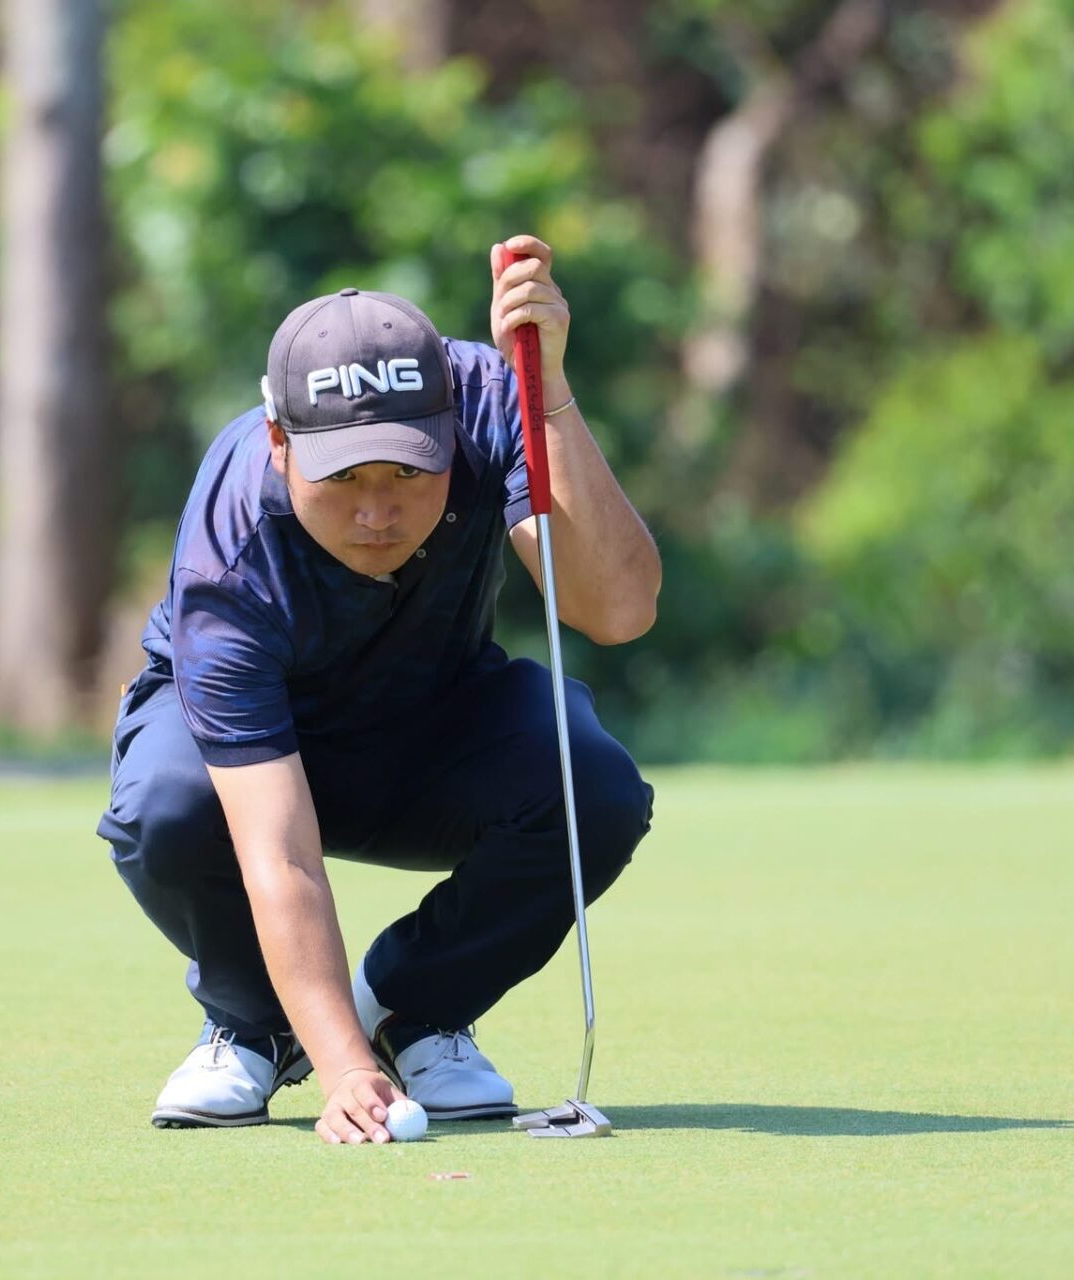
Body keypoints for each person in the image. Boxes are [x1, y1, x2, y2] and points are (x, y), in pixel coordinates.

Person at [97, 235, 660, 1145]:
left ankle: (412, 1008)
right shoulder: (229, 555)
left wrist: (549, 392)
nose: (377, 511)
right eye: (344, 478)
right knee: (164, 803)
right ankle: (258, 1026)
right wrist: (342, 1070)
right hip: (255, 763)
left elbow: (618, 610)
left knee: (591, 785)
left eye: (407, 471)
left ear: (448, 431)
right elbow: (280, 853)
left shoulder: (489, 402)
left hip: (430, 724)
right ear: (280, 444)